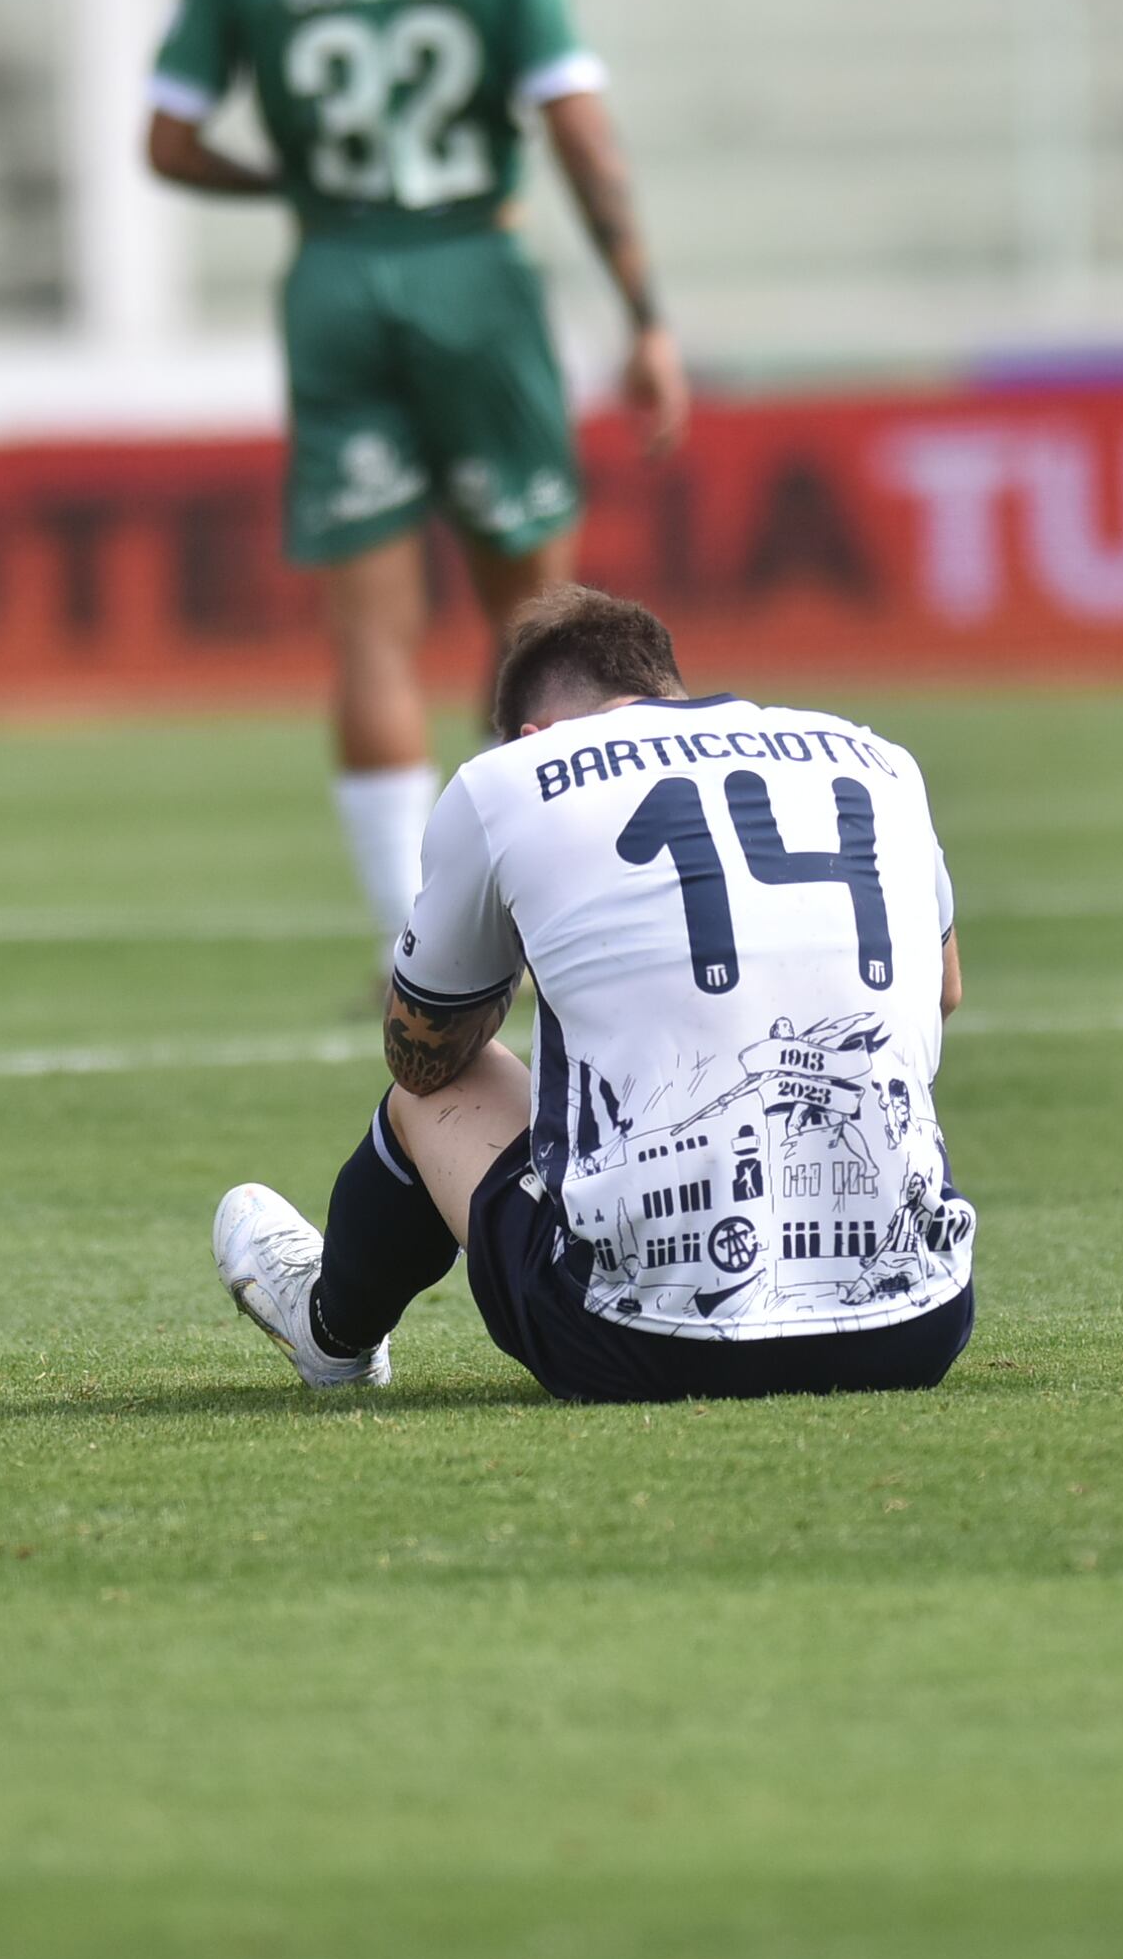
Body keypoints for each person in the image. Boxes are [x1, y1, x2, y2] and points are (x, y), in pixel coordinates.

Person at [147, 0, 687, 979]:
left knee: (370, 640)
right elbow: (577, 127)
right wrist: (643, 312)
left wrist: (287, 175)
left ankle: (416, 954)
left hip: (337, 276)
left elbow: (167, 141)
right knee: (539, 626)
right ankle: (565, 922)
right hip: (475, 275)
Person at [208, 585, 976, 1404]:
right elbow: (946, 990)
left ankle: (333, 1329)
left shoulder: (510, 778)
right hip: (917, 1322)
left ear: (531, 735)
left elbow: (420, 1049)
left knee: (437, 1089)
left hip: (645, 1342)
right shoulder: (876, 756)